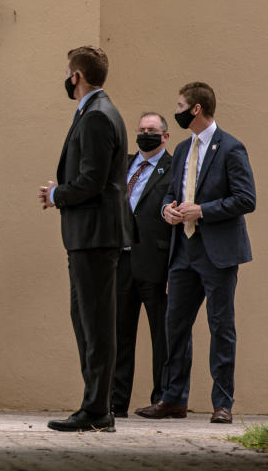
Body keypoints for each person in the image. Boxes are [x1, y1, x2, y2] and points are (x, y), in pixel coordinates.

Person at [135, 82, 255, 425]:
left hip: (218, 254)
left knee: (221, 327)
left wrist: (201, 210)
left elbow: (246, 199)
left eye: (180, 105)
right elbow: (170, 193)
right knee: (174, 326)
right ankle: (173, 400)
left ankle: (223, 403)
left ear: (196, 109)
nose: (177, 110)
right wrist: (167, 211)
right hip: (183, 252)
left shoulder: (231, 148)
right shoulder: (185, 148)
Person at [37, 46, 133, 432]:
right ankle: (95, 406)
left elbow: (93, 180)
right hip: (89, 235)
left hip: (94, 235)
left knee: (95, 323)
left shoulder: (96, 116)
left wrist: (57, 195)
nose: (65, 77)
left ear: (76, 76)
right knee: (87, 320)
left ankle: (97, 411)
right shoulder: (97, 111)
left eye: (67, 72)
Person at [111, 113, 172, 418]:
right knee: (119, 333)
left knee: (161, 335)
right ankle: (115, 401)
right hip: (121, 260)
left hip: (156, 262)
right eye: (142, 130)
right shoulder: (124, 164)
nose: (146, 134)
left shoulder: (174, 169)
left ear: (165, 136)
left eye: (152, 130)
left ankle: (163, 398)